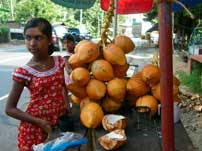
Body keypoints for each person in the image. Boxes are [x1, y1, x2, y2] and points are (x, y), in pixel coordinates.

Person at [5, 17, 71, 151]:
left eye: (38, 38)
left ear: (50, 40)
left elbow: (62, 86)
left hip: (57, 124)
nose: (32, 43)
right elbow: (9, 109)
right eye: (28, 38)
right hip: (33, 130)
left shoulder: (59, 62)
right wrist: (40, 122)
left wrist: (66, 105)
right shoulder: (23, 71)